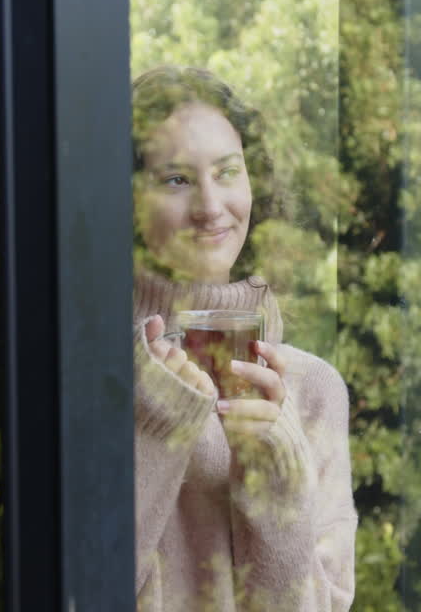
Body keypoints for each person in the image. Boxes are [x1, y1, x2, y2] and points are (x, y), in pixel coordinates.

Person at [130, 65, 357, 611]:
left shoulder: (313, 389)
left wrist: (276, 484)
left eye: (228, 172)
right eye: (176, 180)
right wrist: (155, 430)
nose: (211, 208)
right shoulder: (89, 371)